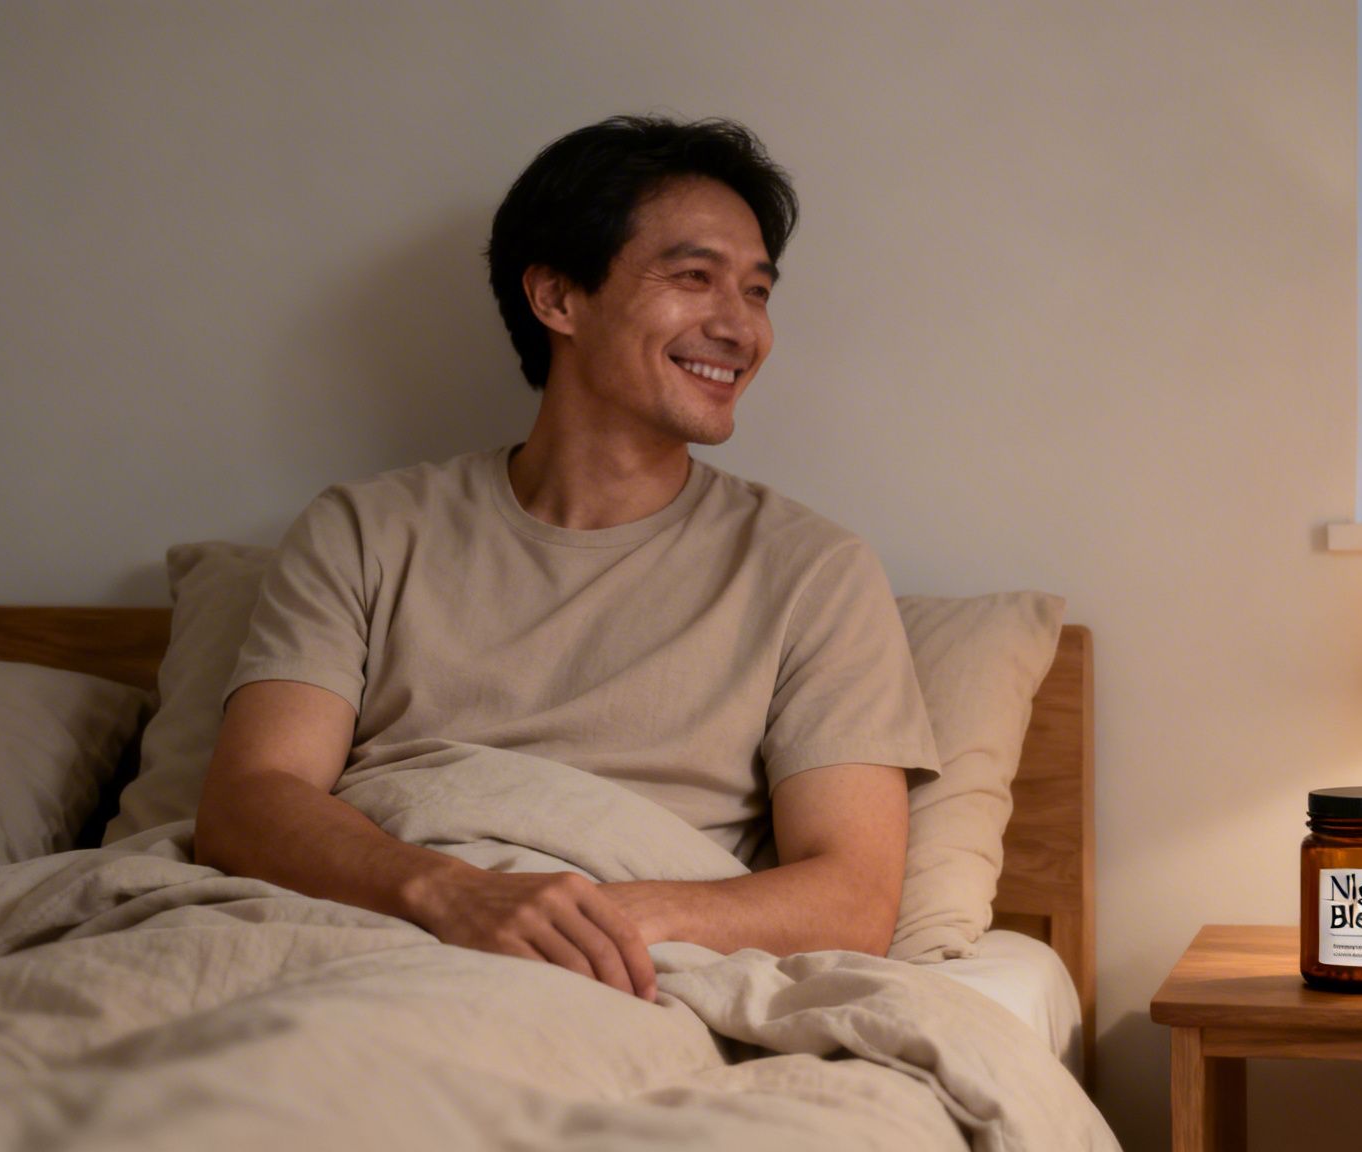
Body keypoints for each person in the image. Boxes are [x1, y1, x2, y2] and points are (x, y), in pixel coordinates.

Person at [193, 116, 940, 1003]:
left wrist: (582, 920)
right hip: (353, 933)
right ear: (556, 298)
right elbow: (249, 803)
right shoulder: (365, 529)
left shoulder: (811, 572)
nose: (741, 329)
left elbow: (851, 897)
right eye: (695, 278)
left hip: (608, 973)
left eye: (758, 291)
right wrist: (456, 896)